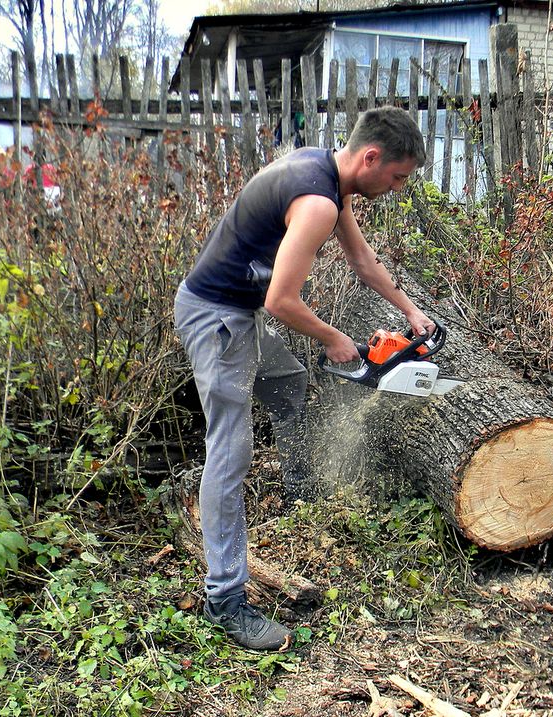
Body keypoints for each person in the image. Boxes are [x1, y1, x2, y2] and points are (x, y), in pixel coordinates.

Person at [173, 106, 433, 651]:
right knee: (230, 451)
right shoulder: (317, 201)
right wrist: (334, 339)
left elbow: (362, 261)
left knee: (288, 382)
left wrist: (410, 311)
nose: (398, 187)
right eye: (397, 176)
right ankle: (225, 599)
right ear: (371, 157)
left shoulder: (327, 176)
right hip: (216, 317)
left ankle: (298, 492)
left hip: (238, 312)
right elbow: (281, 300)